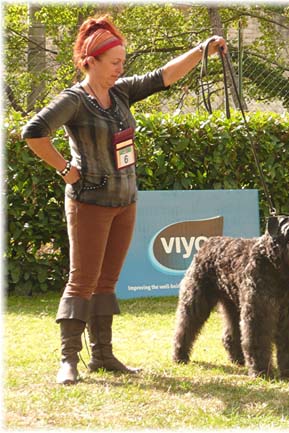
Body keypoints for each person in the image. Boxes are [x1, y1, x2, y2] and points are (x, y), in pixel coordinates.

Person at [22, 14, 227, 385]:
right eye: (114, 62)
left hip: (125, 201)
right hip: (89, 202)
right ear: (91, 61)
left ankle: (103, 356)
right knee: (81, 280)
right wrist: (65, 169)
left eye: (122, 62)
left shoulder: (120, 93)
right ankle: (69, 360)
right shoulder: (75, 100)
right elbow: (34, 132)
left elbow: (163, 76)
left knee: (107, 282)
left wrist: (202, 50)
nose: (121, 68)